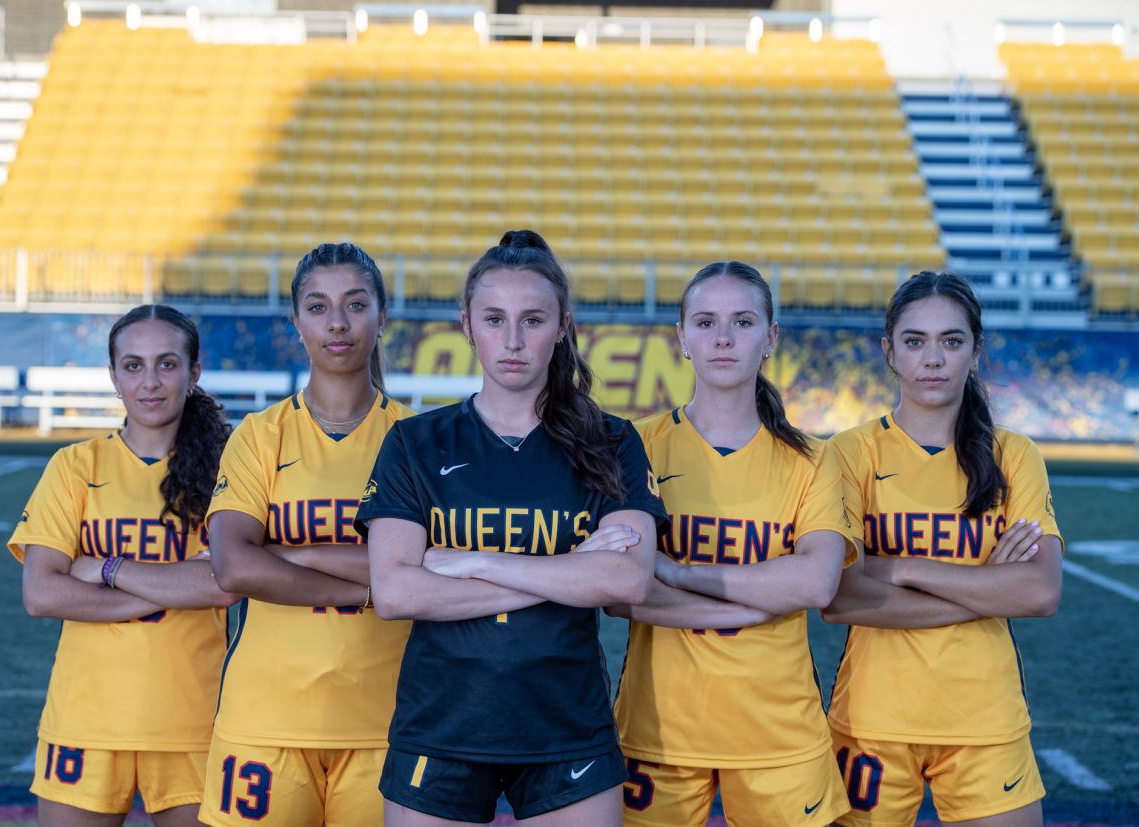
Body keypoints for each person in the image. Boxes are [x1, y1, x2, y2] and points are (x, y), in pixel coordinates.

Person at [356, 230, 667, 826]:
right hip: (441, 724)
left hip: (567, 725)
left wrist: (472, 560)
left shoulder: (612, 440)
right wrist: (573, 567)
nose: (514, 340)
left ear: (563, 326)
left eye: (533, 320)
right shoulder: (415, 443)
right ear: (467, 325)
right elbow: (396, 594)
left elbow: (628, 581)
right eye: (494, 319)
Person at [610, 261, 853, 827]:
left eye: (743, 322)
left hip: (780, 733)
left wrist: (679, 573)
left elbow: (816, 583)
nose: (723, 338)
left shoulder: (814, 459)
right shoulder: (634, 444)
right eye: (706, 322)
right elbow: (619, 591)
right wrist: (762, 596)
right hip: (659, 730)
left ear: (770, 338)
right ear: (682, 337)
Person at [822, 271, 1062, 827]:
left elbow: (1041, 591)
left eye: (951, 341)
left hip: (986, 719)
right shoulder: (849, 453)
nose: (933, 358)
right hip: (872, 720)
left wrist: (900, 567)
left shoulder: (1014, 455)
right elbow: (839, 598)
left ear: (975, 352)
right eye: (915, 341)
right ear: (889, 352)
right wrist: (988, 589)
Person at [200, 243, 413, 827]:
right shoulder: (257, 436)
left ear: (382, 315)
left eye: (355, 304)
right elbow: (234, 568)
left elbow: (435, 569)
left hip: (389, 726)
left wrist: (288, 555)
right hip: (263, 722)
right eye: (318, 307)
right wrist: (377, 586)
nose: (337, 323)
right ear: (297, 322)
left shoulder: (421, 440)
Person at [9, 304, 235, 825]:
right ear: (113, 376)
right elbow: (42, 594)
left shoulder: (231, 465)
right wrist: (179, 584)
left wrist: (107, 568)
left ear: (194, 371)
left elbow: (225, 583)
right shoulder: (74, 466)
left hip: (196, 722)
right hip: (85, 722)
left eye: (167, 364)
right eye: (133, 366)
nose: (150, 382)